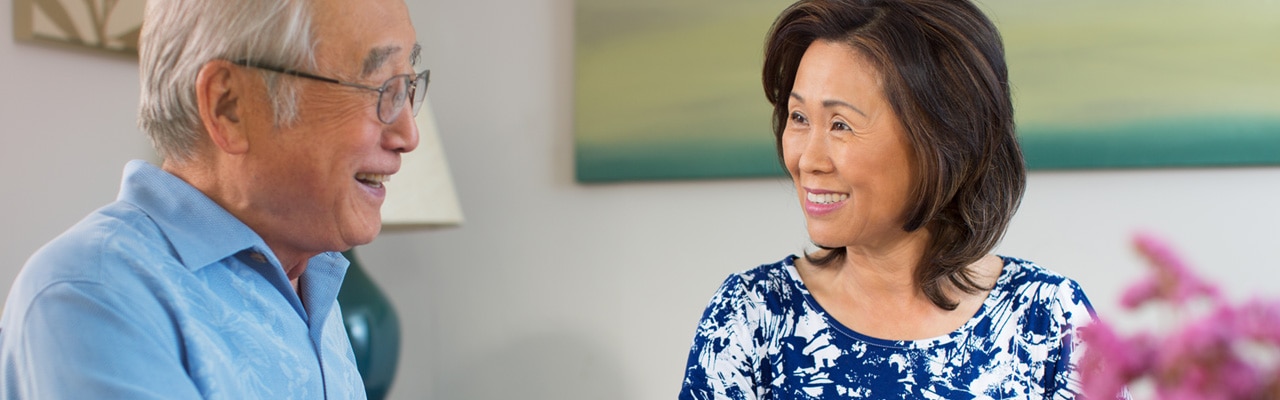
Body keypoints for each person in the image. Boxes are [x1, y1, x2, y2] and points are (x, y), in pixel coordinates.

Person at [679, 0, 1109, 398]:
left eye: (841, 125)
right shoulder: (750, 316)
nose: (807, 159)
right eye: (798, 117)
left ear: (943, 140)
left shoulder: (1050, 322)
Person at [0, 0, 426, 397]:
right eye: (378, 88)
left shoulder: (309, 282)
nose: (408, 136)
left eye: (406, 87)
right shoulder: (92, 295)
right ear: (230, 106)